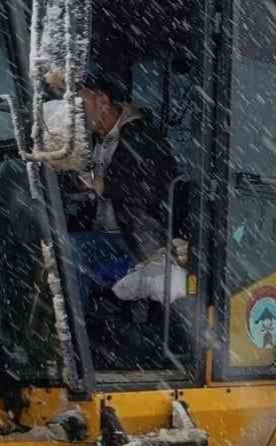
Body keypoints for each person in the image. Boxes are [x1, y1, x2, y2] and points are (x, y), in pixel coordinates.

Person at [68, 62, 184, 303]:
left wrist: (104, 185)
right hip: (107, 234)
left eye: (82, 105)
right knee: (57, 241)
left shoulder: (141, 136)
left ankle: (71, 329)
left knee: (70, 250)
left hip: (136, 238)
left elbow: (151, 188)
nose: (77, 114)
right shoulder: (99, 141)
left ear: (102, 101)